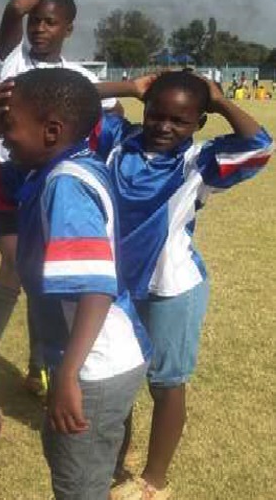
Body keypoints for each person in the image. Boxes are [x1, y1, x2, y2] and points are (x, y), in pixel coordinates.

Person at [94, 71, 272, 500]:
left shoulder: (201, 162)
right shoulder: (116, 142)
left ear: (199, 123)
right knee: (119, 375)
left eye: (180, 120)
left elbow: (262, 145)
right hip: (116, 285)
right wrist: (128, 87)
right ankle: (120, 456)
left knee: (165, 382)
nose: (164, 127)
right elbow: (64, 97)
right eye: (156, 114)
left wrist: (221, 99)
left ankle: (154, 480)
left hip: (171, 286)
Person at [0, 0, 119, 412]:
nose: (39, 28)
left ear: (68, 27)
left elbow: (98, 105)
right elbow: (12, 7)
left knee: (43, 272)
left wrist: (132, 91)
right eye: (36, 21)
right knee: (16, 265)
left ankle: (39, 366)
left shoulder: (77, 77)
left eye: (50, 22)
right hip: (6, 173)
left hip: (47, 175)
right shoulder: (11, 57)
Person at [0, 68, 150, 499]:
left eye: (10, 126)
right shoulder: (65, 166)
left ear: (52, 130)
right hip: (96, 359)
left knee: (78, 486)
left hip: (95, 365)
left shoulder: (65, 186)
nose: (5, 138)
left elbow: (95, 289)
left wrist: (68, 377)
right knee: (76, 468)